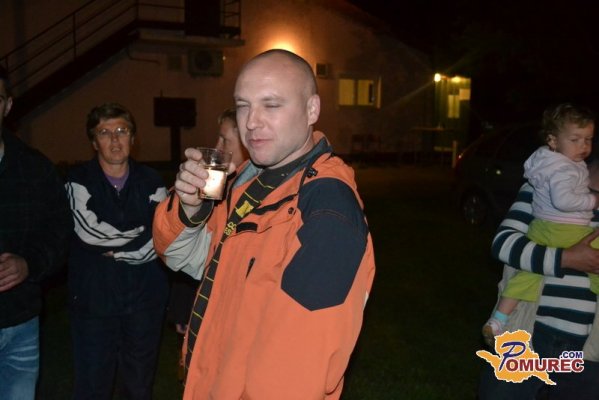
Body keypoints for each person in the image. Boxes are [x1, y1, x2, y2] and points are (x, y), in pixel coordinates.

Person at [153, 49, 376, 399]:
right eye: (243, 105)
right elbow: (184, 258)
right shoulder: (248, 181)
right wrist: (191, 208)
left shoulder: (326, 210)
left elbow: (293, 372)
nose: (252, 122)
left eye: (271, 105)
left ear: (312, 109)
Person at [478, 124, 599, 398]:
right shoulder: (545, 185)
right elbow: (503, 244)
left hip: (587, 350)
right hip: (528, 332)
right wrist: (566, 258)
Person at [65, 102, 169, 399]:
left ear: (133, 138)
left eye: (122, 131)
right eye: (104, 132)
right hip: (94, 302)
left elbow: (162, 237)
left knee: (139, 386)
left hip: (145, 300)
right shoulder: (77, 180)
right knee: (92, 385)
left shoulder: (151, 180)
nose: (114, 140)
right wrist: (141, 234)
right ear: (93, 142)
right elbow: (89, 233)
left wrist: (121, 251)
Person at [0, 66, 73, 399]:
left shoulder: (34, 167)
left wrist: (28, 263)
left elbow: (59, 232)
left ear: (7, 105)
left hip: (21, 324)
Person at [167, 107, 249, 337]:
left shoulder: (258, 189)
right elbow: (193, 248)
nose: (217, 146)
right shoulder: (216, 184)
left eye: (225, 139)